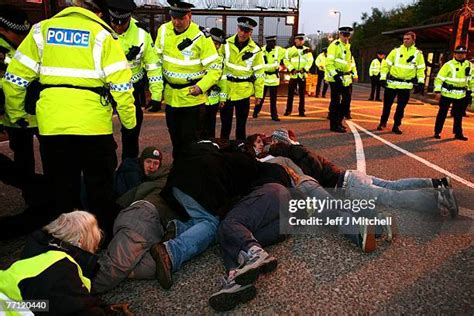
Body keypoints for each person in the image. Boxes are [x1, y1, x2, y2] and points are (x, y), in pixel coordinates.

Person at [3, 0, 137, 239]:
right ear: (97, 13)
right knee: (100, 190)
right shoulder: (103, 36)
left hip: (53, 126)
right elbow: (122, 87)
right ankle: (101, 238)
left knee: (63, 189)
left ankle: (67, 242)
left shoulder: (40, 31)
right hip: (94, 127)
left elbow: (15, 80)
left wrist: (18, 116)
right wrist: (129, 122)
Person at [267, 128, 459, 219]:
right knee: (395, 186)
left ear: (281, 144)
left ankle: (440, 198)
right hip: (351, 176)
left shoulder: (297, 152)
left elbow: (315, 176)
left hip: (348, 186)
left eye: (274, 144)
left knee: (394, 197)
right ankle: (437, 183)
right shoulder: (300, 149)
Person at [150, 141, 259, 289]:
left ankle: (179, 229)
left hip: (176, 185)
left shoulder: (214, 152)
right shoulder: (245, 164)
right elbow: (234, 198)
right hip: (196, 187)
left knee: (202, 217)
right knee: (211, 224)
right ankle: (171, 252)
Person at [0, 211, 115, 314]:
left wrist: (100, 305)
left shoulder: (41, 250)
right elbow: (76, 307)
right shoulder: (62, 268)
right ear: (80, 241)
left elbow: (50, 302)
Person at [155, 0, 221, 160]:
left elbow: (215, 68)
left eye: (181, 18)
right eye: (173, 18)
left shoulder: (201, 36)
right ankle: (178, 172)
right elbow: (156, 59)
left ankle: (191, 175)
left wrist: (201, 86)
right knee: (176, 141)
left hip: (193, 100)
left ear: (190, 16)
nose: (176, 22)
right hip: (171, 98)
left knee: (191, 143)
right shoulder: (163, 30)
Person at [107, 0, 163, 159]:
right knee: (102, 132)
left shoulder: (141, 34)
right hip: (106, 90)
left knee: (131, 131)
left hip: (132, 90)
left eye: (122, 23)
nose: (118, 27)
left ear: (129, 18)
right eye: (114, 22)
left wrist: (156, 95)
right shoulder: (101, 30)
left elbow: (153, 66)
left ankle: (129, 166)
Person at [0, 5, 40, 207]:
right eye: (18, 33)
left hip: (38, 114)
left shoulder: (29, 45)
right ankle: (33, 199)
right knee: (24, 162)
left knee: (53, 156)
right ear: (2, 30)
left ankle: (51, 195)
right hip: (15, 118)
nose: (23, 37)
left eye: (26, 32)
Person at [220, 16, 264, 140]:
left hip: (244, 91)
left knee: (241, 126)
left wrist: (259, 94)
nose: (243, 33)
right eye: (241, 29)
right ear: (237, 28)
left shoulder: (256, 50)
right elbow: (218, 65)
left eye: (247, 31)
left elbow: (259, 73)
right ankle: (224, 149)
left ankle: (240, 152)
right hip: (226, 90)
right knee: (225, 125)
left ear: (251, 32)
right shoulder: (226, 44)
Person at [377, 31, 426, 134]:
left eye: (408, 39)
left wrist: (421, 82)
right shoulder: (396, 51)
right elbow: (386, 65)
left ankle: (396, 125)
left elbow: (421, 69)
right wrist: (382, 78)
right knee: (387, 105)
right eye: (404, 39)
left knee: (401, 108)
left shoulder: (418, 54)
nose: (405, 40)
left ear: (413, 40)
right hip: (392, 83)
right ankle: (382, 122)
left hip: (405, 85)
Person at [433, 45, 472, 141]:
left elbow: (472, 81)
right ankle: (437, 132)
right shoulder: (448, 65)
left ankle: (458, 133)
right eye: (458, 53)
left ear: (465, 54)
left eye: (462, 53)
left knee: (458, 115)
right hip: (447, 93)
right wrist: (438, 91)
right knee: (442, 113)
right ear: (454, 54)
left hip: (461, 95)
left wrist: (471, 93)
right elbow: (439, 79)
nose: (460, 55)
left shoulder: (470, 66)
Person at [325, 26, 356, 133]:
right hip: (336, 78)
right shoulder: (334, 45)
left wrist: (352, 73)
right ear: (340, 35)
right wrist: (335, 75)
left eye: (348, 35)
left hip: (346, 78)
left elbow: (349, 63)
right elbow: (329, 63)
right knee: (335, 102)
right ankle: (334, 125)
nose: (346, 37)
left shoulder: (347, 46)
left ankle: (338, 121)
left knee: (346, 101)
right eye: (344, 35)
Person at [201, 27, 226, 139]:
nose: (216, 46)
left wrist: (222, 98)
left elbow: (223, 79)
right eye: (214, 43)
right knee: (199, 128)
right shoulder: (199, 53)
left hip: (214, 100)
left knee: (211, 128)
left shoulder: (220, 58)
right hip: (199, 98)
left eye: (218, 44)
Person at [252, 35, 285, 121]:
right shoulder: (261, 51)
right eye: (271, 43)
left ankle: (274, 116)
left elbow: (289, 53)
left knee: (273, 100)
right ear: (267, 43)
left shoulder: (279, 50)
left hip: (274, 79)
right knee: (261, 97)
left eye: (274, 42)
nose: (273, 44)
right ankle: (256, 112)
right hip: (264, 78)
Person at [283, 33, 313, 117]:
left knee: (302, 95)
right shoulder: (290, 50)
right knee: (290, 94)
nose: (300, 41)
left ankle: (301, 111)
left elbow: (310, 60)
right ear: (295, 40)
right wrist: (291, 68)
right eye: (299, 39)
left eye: (302, 39)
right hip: (293, 75)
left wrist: (305, 69)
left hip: (302, 74)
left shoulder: (307, 50)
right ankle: (288, 110)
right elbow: (286, 60)